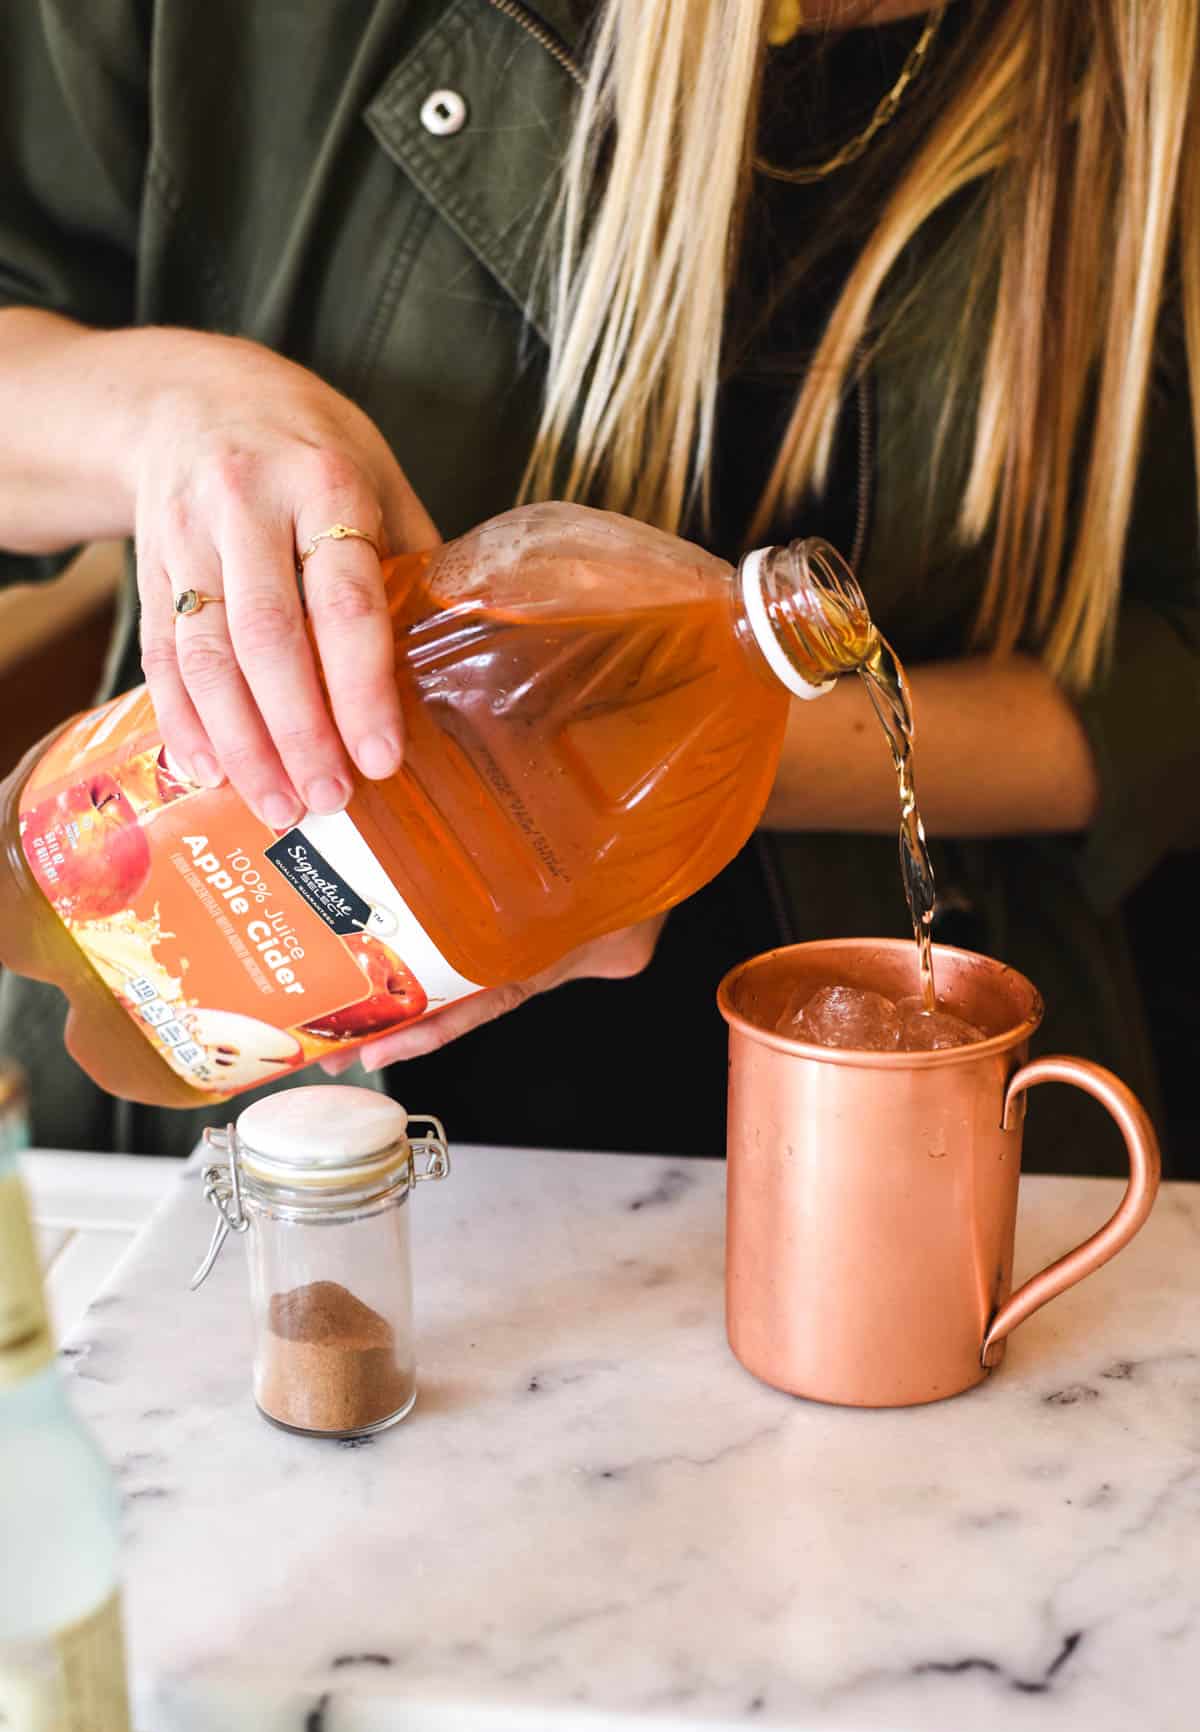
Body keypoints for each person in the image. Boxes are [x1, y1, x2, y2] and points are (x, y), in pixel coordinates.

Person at [0, 0, 1197, 1170]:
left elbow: (1169, 671)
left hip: (916, 1153)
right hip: (240, 1142)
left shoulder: (1147, 83)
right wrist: (172, 415)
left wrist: (637, 783)